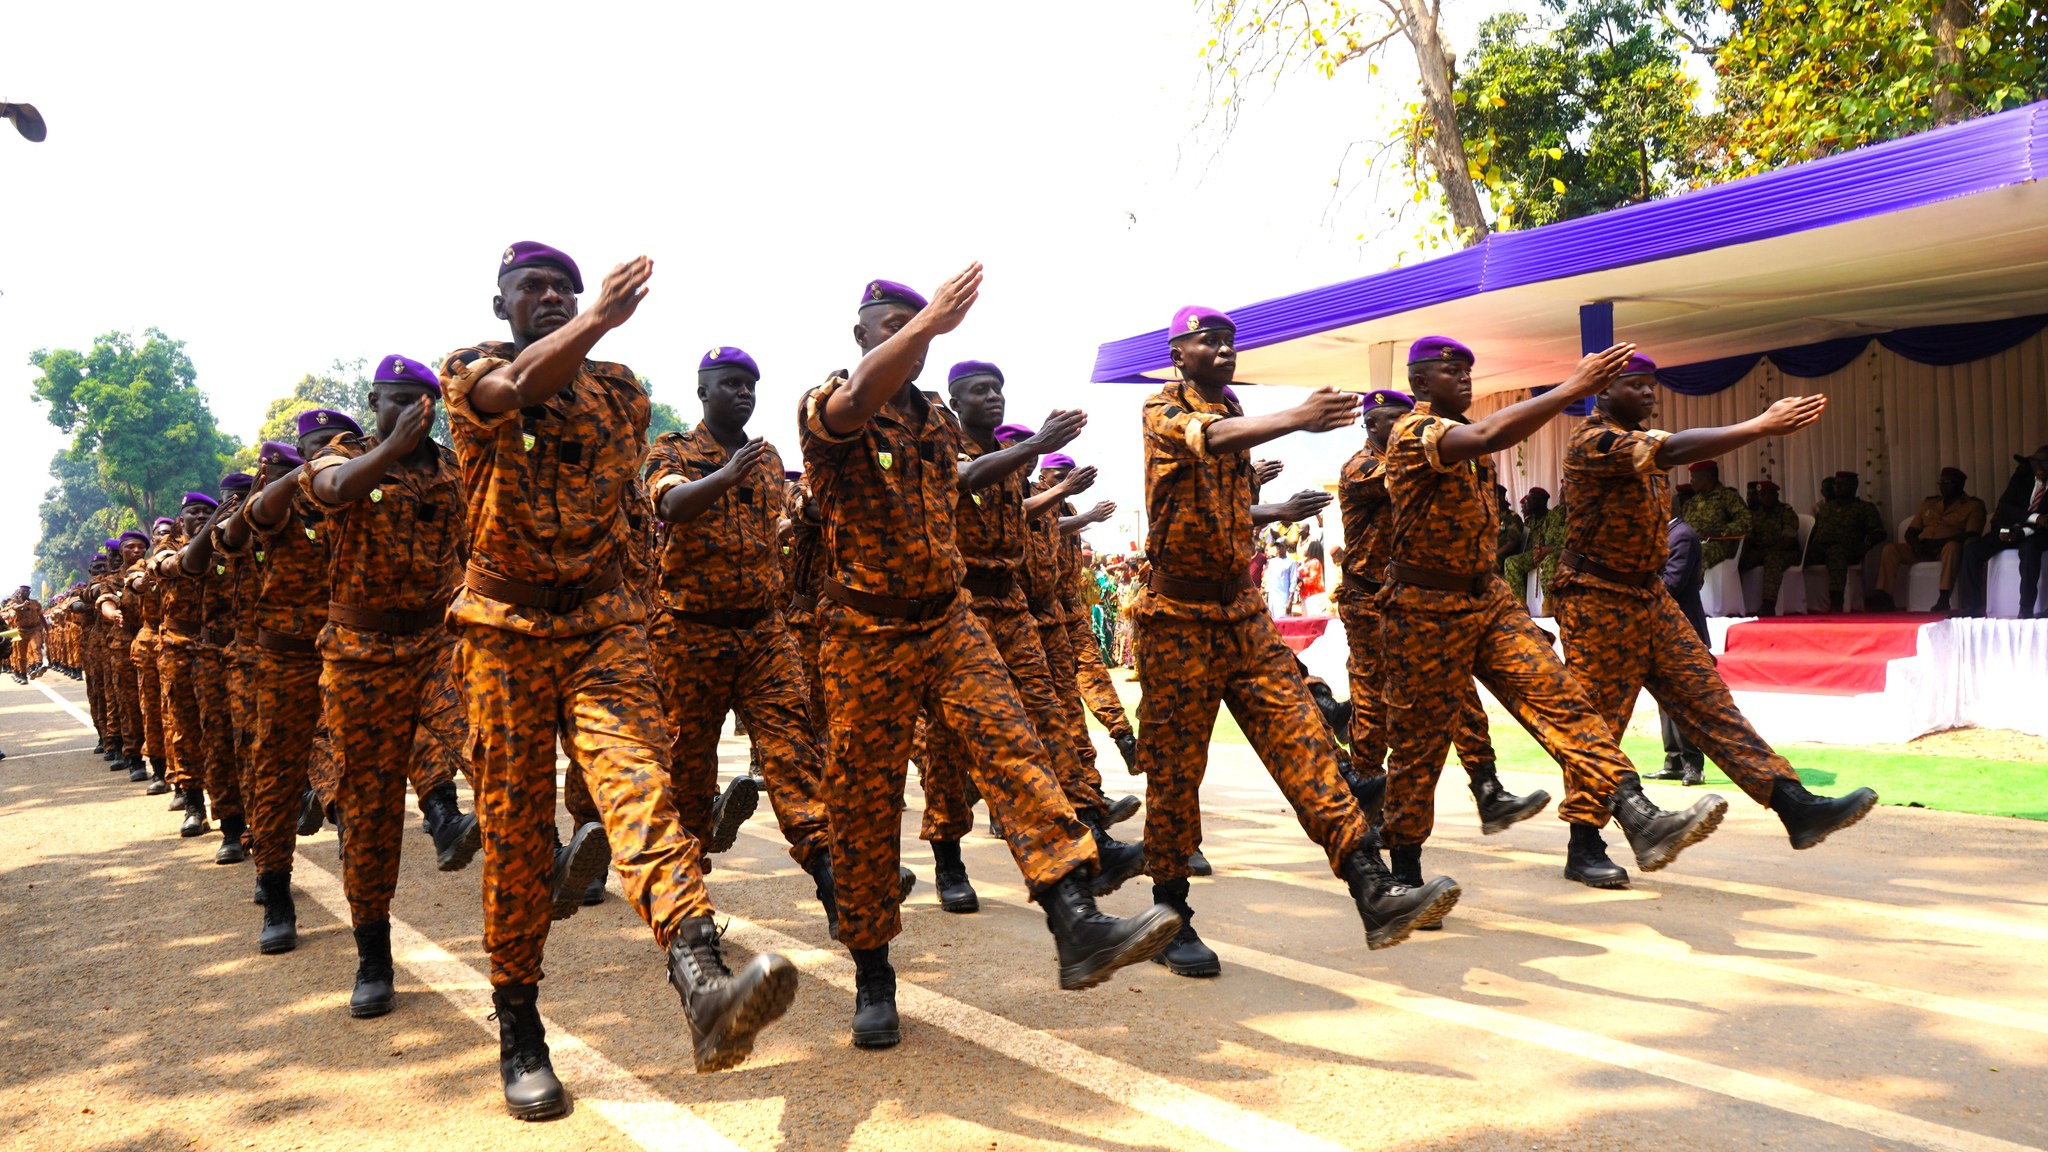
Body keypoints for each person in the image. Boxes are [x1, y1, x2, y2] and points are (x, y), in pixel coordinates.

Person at [441, 242, 794, 1113]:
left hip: (602, 629)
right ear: (501, 306)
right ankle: (520, 1026)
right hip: (504, 630)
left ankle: (703, 980)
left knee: (641, 792)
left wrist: (637, 607)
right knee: (515, 836)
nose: (553, 297)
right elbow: (515, 390)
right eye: (533, 288)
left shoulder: (620, 392)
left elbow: (630, 511)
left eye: (565, 288)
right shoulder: (471, 370)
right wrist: (600, 314)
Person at [802, 271, 1178, 1047]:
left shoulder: (936, 420)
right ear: (861, 334)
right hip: (864, 631)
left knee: (1016, 751)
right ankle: (873, 972)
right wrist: (930, 323)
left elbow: (961, 483)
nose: (911, 336)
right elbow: (855, 402)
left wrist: (1036, 460)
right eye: (892, 326)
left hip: (949, 619)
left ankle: (1074, 918)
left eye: (918, 326)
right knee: (865, 806)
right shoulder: (830, 401)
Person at [1135, 305, 1459, 979]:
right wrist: (1298, 416)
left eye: (1230, 342)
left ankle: (1371, 888)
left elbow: (1221, 501)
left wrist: (1273, 508)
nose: (1224, 351)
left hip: (1241, 612)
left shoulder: (1233, 413)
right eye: (1209, 342)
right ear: (1178, 354)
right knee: (1175, 772)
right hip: (1177, 618)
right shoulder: (1162, 410)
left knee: (1307, 745)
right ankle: (1171, 914)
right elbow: (1206, 440)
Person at [1381, 336, 1731, 894]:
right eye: (1451, 372)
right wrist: (1574, 387)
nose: (1465, 379)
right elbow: (1489, 434)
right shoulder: (1412, 432)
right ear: (1420, 382)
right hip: (1424, 609)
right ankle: (1402, 877)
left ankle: (1636, 812)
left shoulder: (1468, 441)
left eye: (1468, 370)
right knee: (1418, 746)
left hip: (1487, 600)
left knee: (1565, 704)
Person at [1550, 354, 1876, 881]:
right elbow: (1674, 449)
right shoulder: (1593, 441)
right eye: (1636, 385)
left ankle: (1794, 805)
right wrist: (1761, 425)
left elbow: (1668, 449)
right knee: (1600, 724)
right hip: (1597, 597)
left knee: (1710, 701)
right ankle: (1584, 844)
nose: (1649, 393)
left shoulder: (1641, 441)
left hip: (1648, 597)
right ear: (1603, 393)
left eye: (1652, 385)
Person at [299, 355, 483, 1019]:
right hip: (361, 654)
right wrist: (389, 451)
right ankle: (373, 954)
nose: (407, 411)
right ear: (374, 402)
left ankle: (543, 858)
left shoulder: (453, 471)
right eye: (394, 399)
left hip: (437, 643)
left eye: (419, 400)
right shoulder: (345, 457)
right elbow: (332, 489)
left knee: (489, 742)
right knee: (369, 811)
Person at [642, 345, 835, 914]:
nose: (744, 393)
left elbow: (796, 511)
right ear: (703, 391)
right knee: (686, 772)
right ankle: (689, 908)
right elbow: (670, 504)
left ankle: (835, 879)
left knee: (795, 750)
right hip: (689, 635)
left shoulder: (768, 458)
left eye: (750, 385)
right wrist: (726, 475)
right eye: (730, 383)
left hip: (762, 635)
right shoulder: (673, 448)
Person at [1335, 388, 1550, 857]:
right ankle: (1365, 798)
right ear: (1371, 426)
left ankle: (1487, 786)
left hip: (1417, 600)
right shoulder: (1361, 468)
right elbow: (1408, 474)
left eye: (1407, 419)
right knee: (1373, 704)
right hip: (1368, 601)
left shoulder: (1426, 455)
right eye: (1393, 420)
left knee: (1459, 693)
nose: (1405, 428)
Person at [229, 414, 358, 954]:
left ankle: (363, 892)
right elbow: (243, 528)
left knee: (351, 765)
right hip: (284, 661)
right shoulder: (279, 504)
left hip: (346, 654)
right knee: (275, 776)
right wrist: (289, 478)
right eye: (312, 445)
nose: (324, 451)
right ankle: (276, 893)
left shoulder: (355, 494)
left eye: (332, 442)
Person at [1651, 487, 1707, 785]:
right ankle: (1674, 760)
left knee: (1685, 699)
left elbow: (1672, 583)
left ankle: (1693, 765)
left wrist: (1639, 584)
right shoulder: (1666, 534)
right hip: (1664, 626)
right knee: (1665, 698)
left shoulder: (1682, 535)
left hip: (1684, 626)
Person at [1871, 467, 1987, 611]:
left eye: (1948, 482)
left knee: (1952, 547)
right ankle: (1885, 596)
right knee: (1890, 549)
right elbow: (1911, 532)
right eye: (1941, 482)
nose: (1943, 486)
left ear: (1960, 484)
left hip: (1946, 551)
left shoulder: (1973, 506)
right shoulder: (1929, 503)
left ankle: (1944, 598)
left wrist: (1937, 543)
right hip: (1923, 548)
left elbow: (1972, 534)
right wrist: (1917, 546)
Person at [1954, 446, 2048, 617]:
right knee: (1972, 550)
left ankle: (2025, 610)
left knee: (2029, 549)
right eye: (2035, 462)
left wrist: (2023, 532)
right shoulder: (2022, 478)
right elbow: (2005, 507)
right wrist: (2016, 526)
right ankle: (1971, 607)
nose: (2039, 468)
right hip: (2013, 528)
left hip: (2038, 535)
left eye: (2045, 463)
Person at [1808, 471, 1887, 611]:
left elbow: (1879, 532)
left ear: (1853, 486)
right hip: (1820, 549)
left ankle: (1836, 602)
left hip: (1846, 550)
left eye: (1842, 484)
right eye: (1836, 484)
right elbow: (1813, 532)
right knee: (1798, 554)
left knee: (1836, 553)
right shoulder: (1827, 507)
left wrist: (1867, 545)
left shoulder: (1864, 508)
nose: (1837, 487)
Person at [1738, 480, 1801, 616]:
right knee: (1738, 562)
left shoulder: (1786, 512)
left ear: (1776, 495)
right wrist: (1743, 555)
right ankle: (1737, 603)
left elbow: (1788, 540)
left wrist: (1766, 553)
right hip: (1762, 551)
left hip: (1786, 552)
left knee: (1773, 559)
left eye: (1769, 494)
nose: (1765, 498)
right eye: (1762, 495)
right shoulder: (1756, 513)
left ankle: (1768, 605)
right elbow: (1749, 538)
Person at [1679, 460, 1749, 570]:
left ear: (1708, 477)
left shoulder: (1727, 497)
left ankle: (1692, 582)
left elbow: (1746, 521)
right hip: (1691, 543)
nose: (1691, 481)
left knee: (1695, 554)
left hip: (1717, 545)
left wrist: (1720, 532)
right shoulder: (1692, 502)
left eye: (1694, 477)